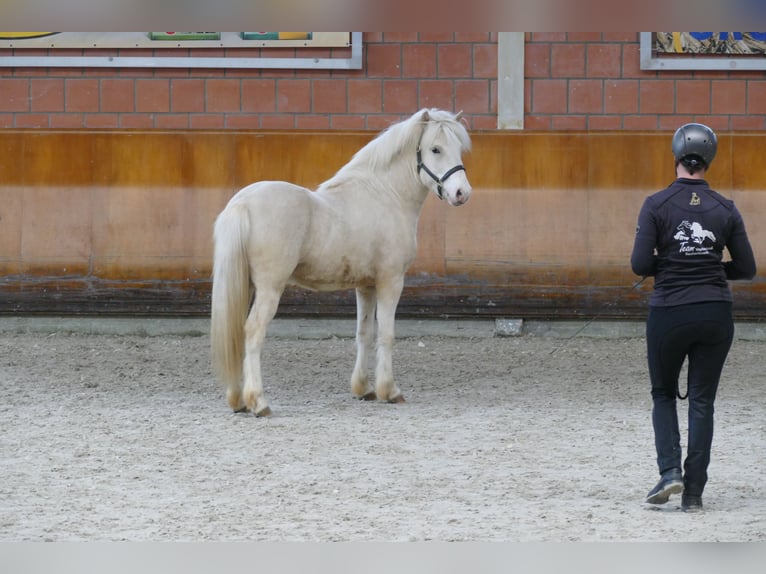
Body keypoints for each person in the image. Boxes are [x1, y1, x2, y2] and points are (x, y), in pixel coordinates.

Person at [630, 123, 756, 513]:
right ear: (709, 160)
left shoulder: (656, 204)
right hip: (715, 314)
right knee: (703, 401)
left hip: (669, 311)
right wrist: (712, 271)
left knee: (663, 393)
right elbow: (747, 268)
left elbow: (638, 265)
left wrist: (669, 266)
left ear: (676, 156)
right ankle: (695, 493)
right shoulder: (726, 208)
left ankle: (670, 472)